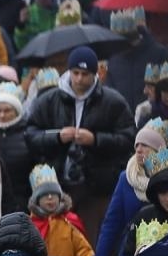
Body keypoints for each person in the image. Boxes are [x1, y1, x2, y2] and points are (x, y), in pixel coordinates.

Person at [24, 46, 137, 240]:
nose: (78, 79)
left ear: (95, 74)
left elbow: (128, 138)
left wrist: (95, 140)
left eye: (85, 74)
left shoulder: (113, 101)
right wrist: (58, 138)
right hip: (58, 184)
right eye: (75, 73)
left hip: (97, 186)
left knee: (91, 239)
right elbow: (30, 134)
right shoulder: (49, 100)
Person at [92, 119, 168, 256]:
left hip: (163, 255)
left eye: (145, 145)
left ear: (157, 150)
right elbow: (112, 223)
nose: (139, 150)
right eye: (137, 145)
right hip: (130, 254)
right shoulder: (127, 178)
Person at [105, 7, 168, 109]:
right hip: (121, 118)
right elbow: (109, 91)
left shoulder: (159, 53)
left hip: (152, 117)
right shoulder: (113, 57)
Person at [0, 82, 34, 215]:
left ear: (16, 111)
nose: (2, 115)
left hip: (21, 202)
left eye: (7, 110)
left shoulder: (28, 134)